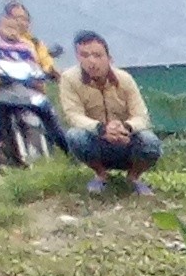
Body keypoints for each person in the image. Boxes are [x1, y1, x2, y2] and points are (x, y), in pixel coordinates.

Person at [56, 35, 153, 195]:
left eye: (97, 55)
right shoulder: (69, 79)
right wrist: (101, 129)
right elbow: (73, 115)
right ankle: (101, 175)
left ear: (109, 58)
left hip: (126, 140)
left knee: (150, 141)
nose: (91, 62)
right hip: (97, 140)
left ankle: (133, 178)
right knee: (75, 136)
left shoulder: (125, 79)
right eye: (84, 55)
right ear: (78, 57)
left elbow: (142, 116)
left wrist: (126, 128)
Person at [0, 4, 52, 176]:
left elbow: (46, 62)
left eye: (25, 19)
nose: (22, 22)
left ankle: (60, 155)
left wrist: (50, 71)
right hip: (2, 88)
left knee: (50, 117)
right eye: (17, 18)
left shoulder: (33, 43)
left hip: (30, 88)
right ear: (6, 19)